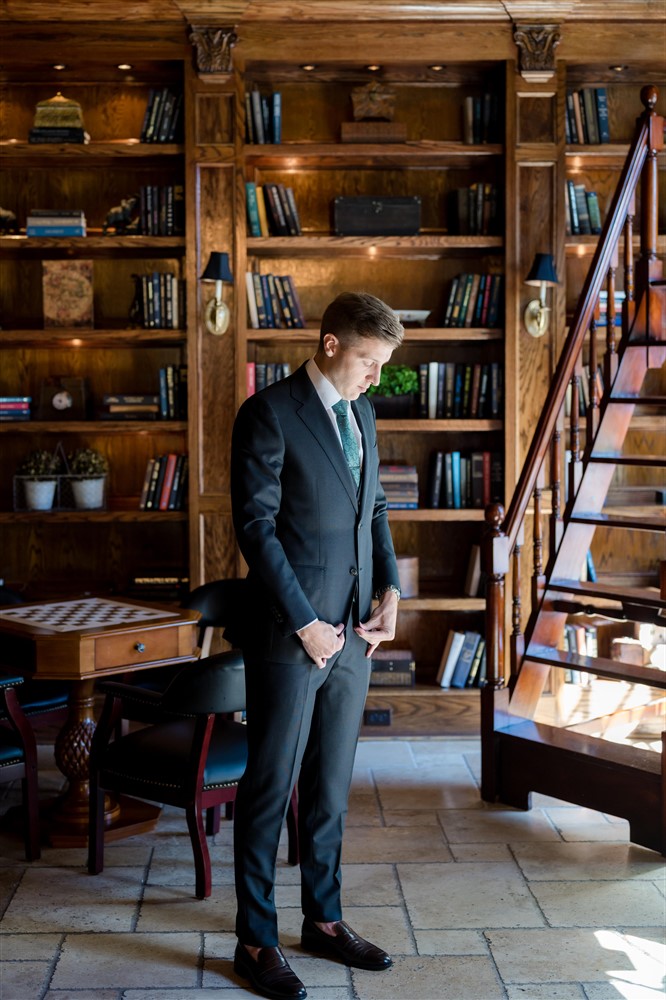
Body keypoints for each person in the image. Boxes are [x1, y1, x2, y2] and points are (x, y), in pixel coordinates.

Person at [230, 291, 404, 1000]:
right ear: (331, 344)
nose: (376, 378)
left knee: (329, 788)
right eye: (369, 360)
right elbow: (256, 529)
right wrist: (304, 622)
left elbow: (378, 508)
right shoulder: (267, 414)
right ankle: (255, 939)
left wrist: (392, 591)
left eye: (383, 365)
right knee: (270, 788)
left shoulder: (362, 410)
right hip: (291, 636)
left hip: (355, 637)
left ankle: (324, 923)